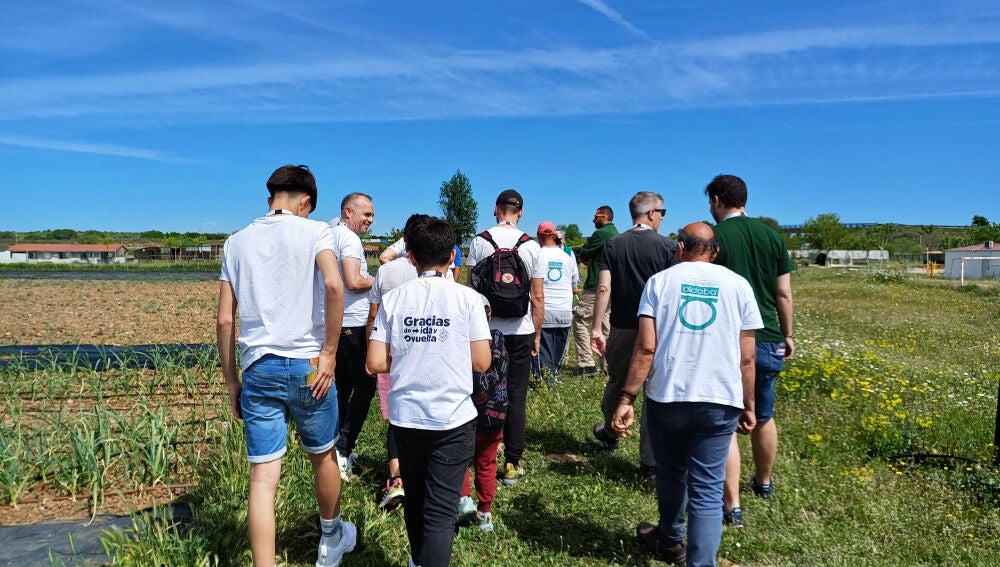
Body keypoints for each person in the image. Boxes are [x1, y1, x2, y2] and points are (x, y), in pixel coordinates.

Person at [217, 165, 356, 567]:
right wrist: (329, 352)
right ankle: (331, 540)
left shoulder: (236, 242)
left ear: (270, 199)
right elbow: (334, 285)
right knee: (323, 455)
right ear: (306, 202)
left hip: (258, 367)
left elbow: (226, 319)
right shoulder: (315, 232)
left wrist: (231, 382)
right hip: (310, 365)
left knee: (262, 478)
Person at [611, 222, 761, 567]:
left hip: (669, 397)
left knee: (670, 471)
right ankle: (700, 562)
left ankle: (670, 537)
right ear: (716, 252)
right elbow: (747, 356)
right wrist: (749, 404)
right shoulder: (739, 286)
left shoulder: (660, 283)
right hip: (721, 398)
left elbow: (646, 348)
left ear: (679, 247)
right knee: (708, 490)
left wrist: (627, 398)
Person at [367, 218, 492, 567]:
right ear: (453, 254)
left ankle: (417, 559)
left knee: (417, 500)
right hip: (453, 419)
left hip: (406, 418)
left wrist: (411, 352)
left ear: (411, 256)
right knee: (440, 512)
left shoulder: (394, 299)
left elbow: (376, 361)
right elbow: (482, 361)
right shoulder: (468, 299)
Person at [705, 174, 796, 527]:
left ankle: (732, 505)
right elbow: (783, 293)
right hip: (768, 336)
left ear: (716, 200)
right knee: (765, 414)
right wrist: (787, 334)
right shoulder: (772, 236)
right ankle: (764, 482)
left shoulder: (715, 238)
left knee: (728, 422)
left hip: (728, 339)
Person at [590, 192, 676, 479]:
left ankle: (612, 431)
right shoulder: (667, 247)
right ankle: (649, 462)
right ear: (651, 213)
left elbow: (604, 288)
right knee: (654, 390)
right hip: (658, 329)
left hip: (623, 326)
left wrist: (595, 328)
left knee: (617, 381)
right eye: (662, 212)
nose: (663, 217)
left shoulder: (614, 244)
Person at [465, 189, 545, 486]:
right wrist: (536, 334)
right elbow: (537, 297)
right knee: (516, 395)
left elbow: (471, 290)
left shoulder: (480, 241)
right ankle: (512, 463)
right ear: (521, 212)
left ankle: (474, 455)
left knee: (479, 393)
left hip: (486, 331)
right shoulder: (531, 246)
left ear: (496, 208)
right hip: (521, 330)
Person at [366, 214, 439, 510]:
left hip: (391, 355)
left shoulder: (387, 271)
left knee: (397, 418)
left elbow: (373, 316)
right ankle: (428, 476)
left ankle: (397, 479)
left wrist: (371, 354)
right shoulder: (438, 274)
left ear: (405, 241)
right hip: (426, 355)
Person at [330, 192, 376, 479]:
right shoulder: (348, 239)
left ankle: (335, 445)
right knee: (365, 387)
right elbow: (353, 280)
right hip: (354, 326)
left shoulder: (329, 233)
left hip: (336, 324)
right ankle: (343, 449)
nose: (370, 219)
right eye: (366, 214)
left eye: (372, 214)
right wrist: (382, 281)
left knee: (342, 388)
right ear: (349, 211)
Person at [457, 295, 508, 533]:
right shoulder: (498, 338)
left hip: (471, 414)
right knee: (487, 462)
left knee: (462, 458)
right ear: (489, 316)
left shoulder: (462, 341)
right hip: (497, 413)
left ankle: (463, 499)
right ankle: (485, 513)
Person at [531, 221, 579, 387]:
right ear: (554, 235)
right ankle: (553, 380)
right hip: (564, 311)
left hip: (545, 310)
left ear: (538, 236)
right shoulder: (567, 257)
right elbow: (575, 284)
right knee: (557, 352)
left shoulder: (537, 256)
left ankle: (546, 385)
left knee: (542, 351)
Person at [573, 206, 617, 376]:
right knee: (606, 326)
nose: (593, 220)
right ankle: (608, 366)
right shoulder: (617, 234)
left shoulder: (600, 234)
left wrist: (584, 250)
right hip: (612, 286)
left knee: (580, 320)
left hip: (595, 286)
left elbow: (585, 252)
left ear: (604, 217)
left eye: (596, 216)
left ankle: (586, 364)